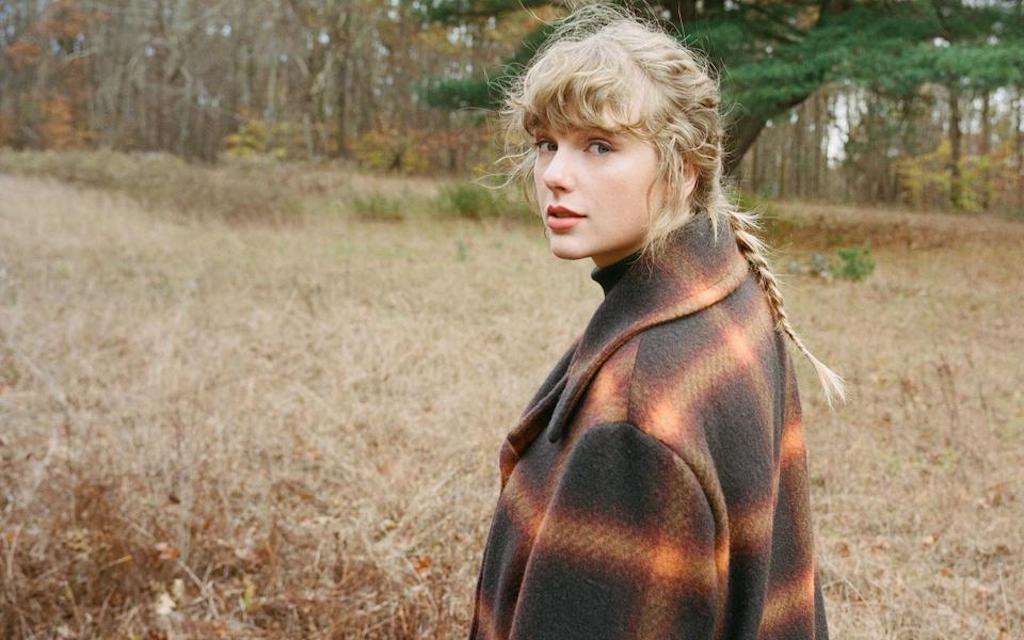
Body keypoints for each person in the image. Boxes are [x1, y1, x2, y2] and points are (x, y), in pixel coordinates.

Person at [469, 4, 845, 639]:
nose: (556, 175)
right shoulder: (727, 289)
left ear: (683, 169)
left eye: (599, 146)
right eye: (547, 144)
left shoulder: (633, 425)